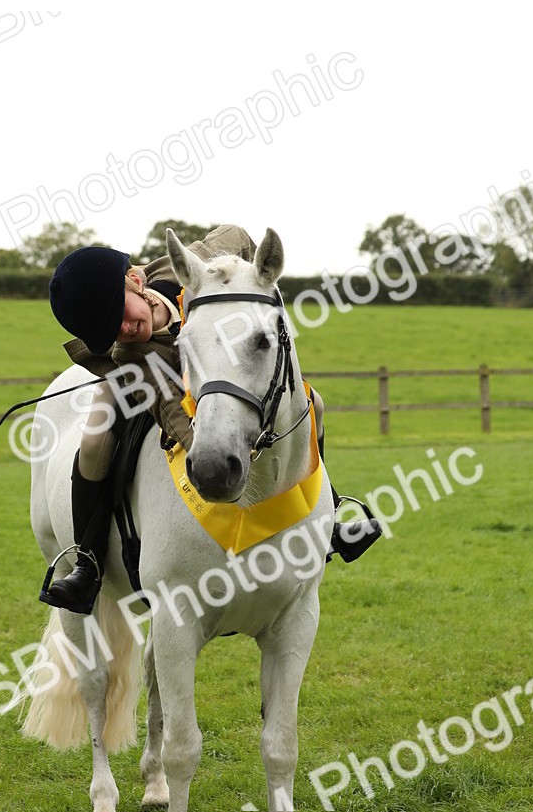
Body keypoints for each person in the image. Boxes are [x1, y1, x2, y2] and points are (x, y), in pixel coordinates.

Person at [40, 224, 379, 615]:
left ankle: (331, 516)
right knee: (95, 441)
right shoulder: (127, 352)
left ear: (135, 281)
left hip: (223, 373)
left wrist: (258, 285)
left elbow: (238, 237)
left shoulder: (184, 266)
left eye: (121, 315)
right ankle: (88, 561)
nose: (124, 330)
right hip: (139, 381)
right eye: (110, 333)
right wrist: (202, 444)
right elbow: (170, 410)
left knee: (312, 403)